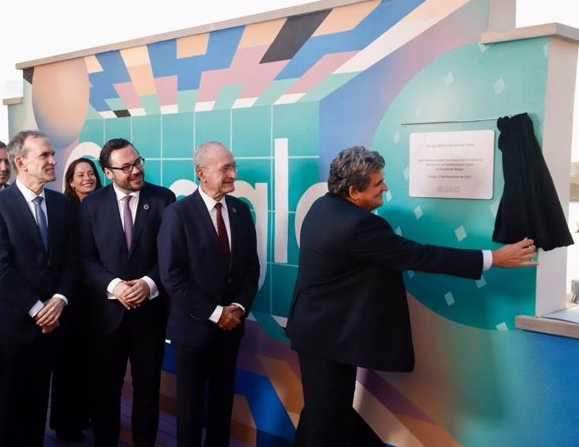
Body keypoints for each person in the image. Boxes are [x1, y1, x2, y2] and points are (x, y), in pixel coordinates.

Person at [285, 146, 538, 447]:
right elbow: (418, 256)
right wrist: (493, 258)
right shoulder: (358, 225)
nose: (386, 188)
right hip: (327, 337)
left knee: (323, 415)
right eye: (378, 184)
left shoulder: (324, 206)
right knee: (325, 420)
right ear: (353, 191)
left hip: (319, 332)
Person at [0, 130, 77, 447]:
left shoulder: (61, 204)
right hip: (12, 328)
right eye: (44, 155)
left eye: (51, 154)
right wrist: (38, 310)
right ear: (21, 162)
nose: (53, 160)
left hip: (51, 327)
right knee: (3, 410)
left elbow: (70, 258)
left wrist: (59, 300)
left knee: (35, 409)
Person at [158, 141, 260, 447]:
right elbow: (171, 276)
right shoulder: (178, 214)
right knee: (189, 407)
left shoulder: (241, 210)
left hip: (230, 329)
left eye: (233, 167)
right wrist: (216, 314)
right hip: (193, 328)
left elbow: (250, 268)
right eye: (225, 168)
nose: (233, 174)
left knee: (222, 401)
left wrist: (238, 308)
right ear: (202, 174)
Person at [79, 139, 175, 447]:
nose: (136, 170)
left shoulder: (163, 199)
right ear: (108, 172)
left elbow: (171, 256)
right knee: (106, 389)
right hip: (107, 316)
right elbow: (85, 258)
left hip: (150, 313)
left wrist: (147, 283)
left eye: (138, 162)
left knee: (148, 388)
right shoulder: (91, 205)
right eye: (126, 167)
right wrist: (114, 286)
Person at [48, 157, 102, 442]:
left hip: (102, 298)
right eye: (80, 174)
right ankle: (67, 423)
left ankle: (93, 413)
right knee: (71, 364)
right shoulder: (64, 210)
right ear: (70, 181)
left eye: (91, 173)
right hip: (73, 298)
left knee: (96, 362)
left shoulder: (106, 206)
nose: (87, 178)